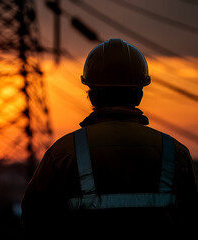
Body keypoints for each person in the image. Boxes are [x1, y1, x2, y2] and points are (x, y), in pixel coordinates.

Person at [21, 39, 198, 233]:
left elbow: (34, 219)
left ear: (92, 93)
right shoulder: (175, 152)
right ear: (139, 93)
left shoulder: (63, 152)